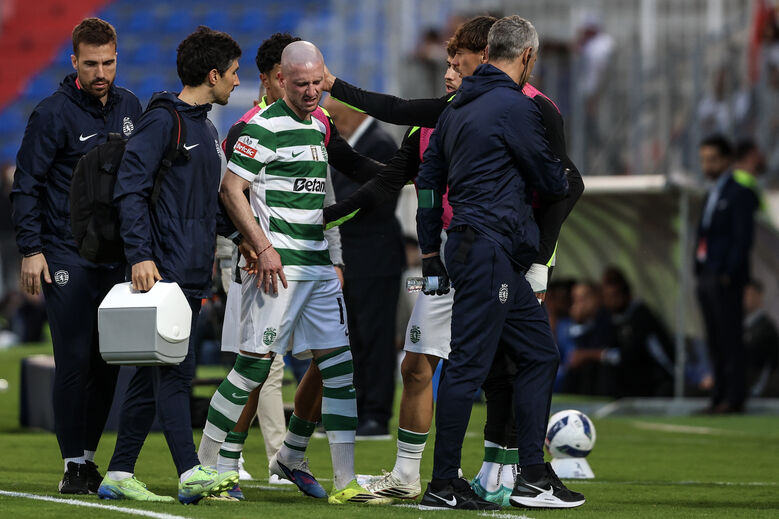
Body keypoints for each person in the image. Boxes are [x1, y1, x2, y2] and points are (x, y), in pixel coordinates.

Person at [322, 15, 583, 505]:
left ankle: (496, 474)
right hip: (466, 252)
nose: (448, 69)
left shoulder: (527, 109)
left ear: (487, 54)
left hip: (494, 253)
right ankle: (428, 475)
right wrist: (424, 252)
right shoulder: (452, 111)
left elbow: (566, 188)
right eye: (446, 59)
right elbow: (405, 177)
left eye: (457, 58)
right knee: (428, 365)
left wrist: (539, 262)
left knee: (507, 363)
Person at [201, 31, 383, 497]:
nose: (310, 92)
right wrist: (259, 245)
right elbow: (229, 191)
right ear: (280, 80)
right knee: (253, 369)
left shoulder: (322, 123)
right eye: (300, 83)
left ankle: (342, 479)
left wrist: (420, 168)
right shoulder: (258, 127)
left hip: (319, 268)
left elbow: (347, 175)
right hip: (272, 271)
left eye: (317, 83)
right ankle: (211, 465)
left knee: (338, 368)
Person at [415, 16, 582, 510]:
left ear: (487, 52)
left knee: (538, 352)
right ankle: (443, 483)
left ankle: (531, 474)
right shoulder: (514, 106)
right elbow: (554, 183)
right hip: (492, 248)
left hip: (470, 247)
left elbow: (427, 184)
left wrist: (430, 249)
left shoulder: (455, 107)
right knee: (468, 365)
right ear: (527, 56)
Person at [97, 26, 242, 504]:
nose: (237, 83)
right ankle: (189, 471)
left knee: (149, 373)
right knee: (177, 369)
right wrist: (140, 254)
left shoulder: (204, 125)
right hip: (163, 272)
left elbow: (205, 204)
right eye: (234, 74)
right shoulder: (165, 121)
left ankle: (119, 472)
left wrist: (240, 239)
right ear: (213, 74)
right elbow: (129, 188)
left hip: (191, 269)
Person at [10, 17, 142, 495]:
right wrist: (32, 249)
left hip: (114, 257)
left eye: (108, 62)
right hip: (65, 254)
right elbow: (27, 186)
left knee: (108, 360)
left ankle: (88, 459)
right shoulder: (52, 114)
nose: (100, 72)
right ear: (74, 62)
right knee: (72, 360)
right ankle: (71, 466)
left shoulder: (130, 106)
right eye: (91, 64)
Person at [323, 97, 403, 440]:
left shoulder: (380, 145)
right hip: (352, 257)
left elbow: (378, 202)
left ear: (354, 114)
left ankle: (376, 414)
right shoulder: (354, 145)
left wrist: (326, 214)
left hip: (375, 256)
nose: (334, 124)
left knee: (375, 339)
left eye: (336, 117)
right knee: (351, 338)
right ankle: (353, 412)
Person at [695, 135, 759, 414]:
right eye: (703, 160)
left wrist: (727, 273)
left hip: (725, 278)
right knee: (714, 337)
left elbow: (742, 238)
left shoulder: (740, 193)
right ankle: (718, 395)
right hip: (707, 275)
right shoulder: (712, 193)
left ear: (726, 160)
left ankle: (734, 397)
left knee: (730, 336)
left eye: (712, 159)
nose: (706, 165)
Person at [743, 280, 779, 397]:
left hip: (758, 385)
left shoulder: (767, 328)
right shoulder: (742, 325)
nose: (744, 298)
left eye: (748, 294)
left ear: (759, 296)